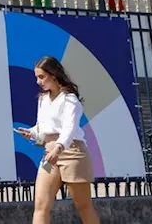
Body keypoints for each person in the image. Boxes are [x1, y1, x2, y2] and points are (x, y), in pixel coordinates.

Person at [15, 56, 98, 224]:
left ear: (53, 74)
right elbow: (43, 128)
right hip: (49, 154)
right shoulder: (43, 99)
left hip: (72, 153)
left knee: (83, 206)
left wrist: (58, 149)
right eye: (36, 77)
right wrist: (31, 132)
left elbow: (69, 129)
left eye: (41, 76)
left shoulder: (70, 100)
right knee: (40, 205)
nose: (38, 81)